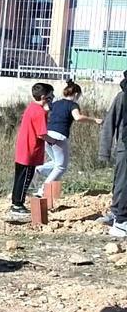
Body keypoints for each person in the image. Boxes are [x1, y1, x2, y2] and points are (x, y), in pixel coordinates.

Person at [35, 80, 101, 196]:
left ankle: (38, 169)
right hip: (59, 137)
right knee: (61, 167)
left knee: (56, 162)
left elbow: (44, 109)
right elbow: (78, 117)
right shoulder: (73, 105)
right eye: (79, 95)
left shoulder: (56, 103)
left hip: (48, 134)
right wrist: (94, 120)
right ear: (76, 94)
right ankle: (42, 191)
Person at [11, 83, 56, 215]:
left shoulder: (32, 107)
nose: (52, 98)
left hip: (23, 148)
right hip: (30, 151)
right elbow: (42, 133)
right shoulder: (39, 112)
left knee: (19, 177)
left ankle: (16, 202)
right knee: (25, 178)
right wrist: (53, 141)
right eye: (50, 96)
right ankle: (18, 205)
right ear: (44, 97)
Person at [98, 72, 127, 233]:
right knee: (122, 183)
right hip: (125, 147)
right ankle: (120, 220)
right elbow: (109, 124)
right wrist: (105, 152)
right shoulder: (122, 97)